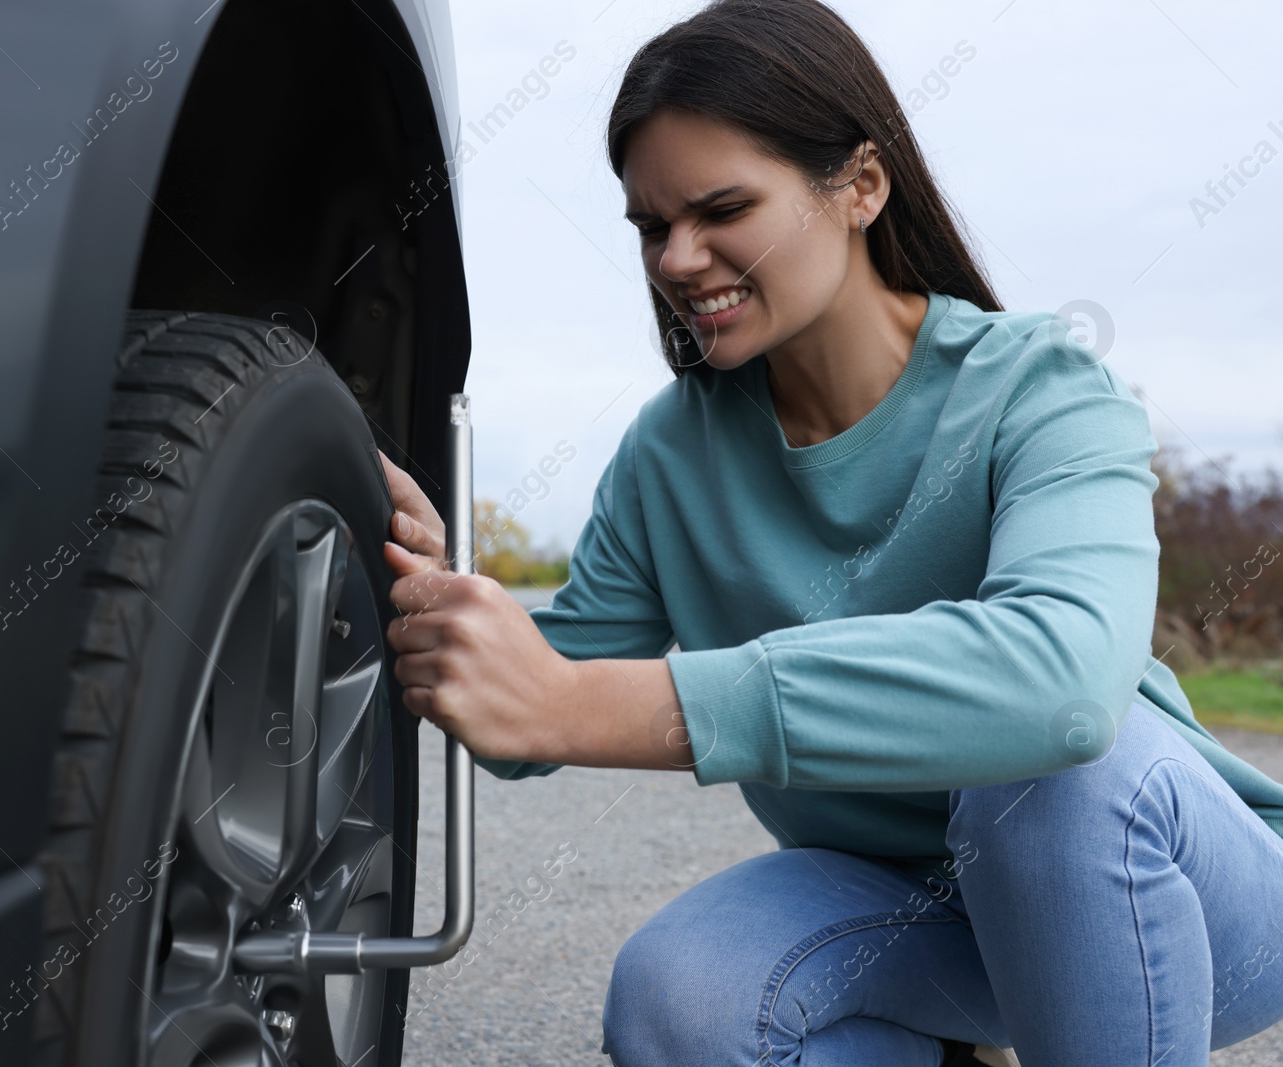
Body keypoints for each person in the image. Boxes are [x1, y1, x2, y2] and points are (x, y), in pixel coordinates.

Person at [374, 1, 1283, 1063]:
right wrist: (443, 601)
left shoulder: (1044, 386)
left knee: (1045, 777)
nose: (676, 258)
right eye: (651, 225)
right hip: (912, 912)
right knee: (683, 999)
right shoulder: (670, 452)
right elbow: (541, 694)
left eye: (721, 209)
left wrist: (585, 703)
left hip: (1173, 896)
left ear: (859, 184)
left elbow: (1065, 684)